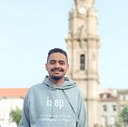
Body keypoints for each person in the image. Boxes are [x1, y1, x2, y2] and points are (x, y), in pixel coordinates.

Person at [19, 48, 86, 127]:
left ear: (67, 67)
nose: (57, 66)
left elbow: (82, 124)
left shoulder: (76, 93)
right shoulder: (33, 92)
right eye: (52, 62)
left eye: (61, 63)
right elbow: (24, 124)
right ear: (46, 66)